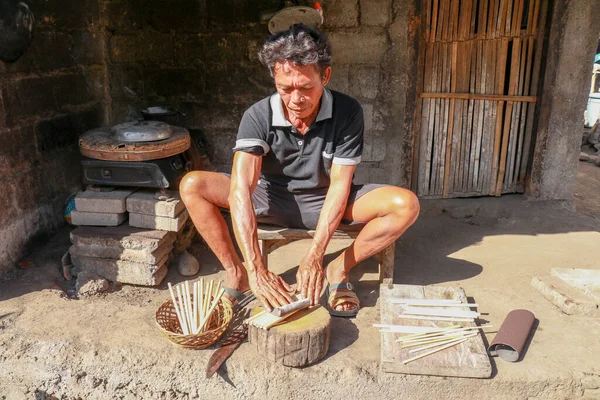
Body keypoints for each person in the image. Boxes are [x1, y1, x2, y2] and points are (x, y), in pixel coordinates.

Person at [180, 24, 419, 317]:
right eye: (285, 88)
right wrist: (255, 268)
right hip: (268, 199)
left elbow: (340, 186)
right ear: (274, 80)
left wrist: (316, 254)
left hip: (328, 201)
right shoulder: (258, 115)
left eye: (306, 87)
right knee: (192, 185)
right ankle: (236, 274)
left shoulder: (348, 111)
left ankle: (337, 269)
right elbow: (241, 189)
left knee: (405, 205)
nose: (296, 99)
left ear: (325, 76)